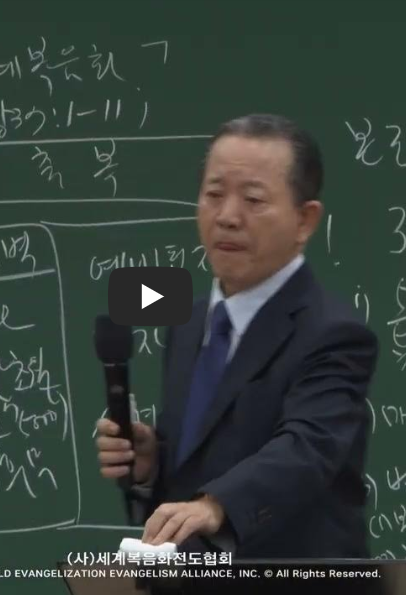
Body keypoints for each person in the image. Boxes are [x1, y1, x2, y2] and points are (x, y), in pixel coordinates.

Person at [96, 113, 379, 558]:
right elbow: (199, 463)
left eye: (253, 200)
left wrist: (217, 505)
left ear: (305, 221)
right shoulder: (188, 323)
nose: (227, 217)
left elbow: (308, 448)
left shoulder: (334, 333)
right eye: (214, 195)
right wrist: (152, 465)